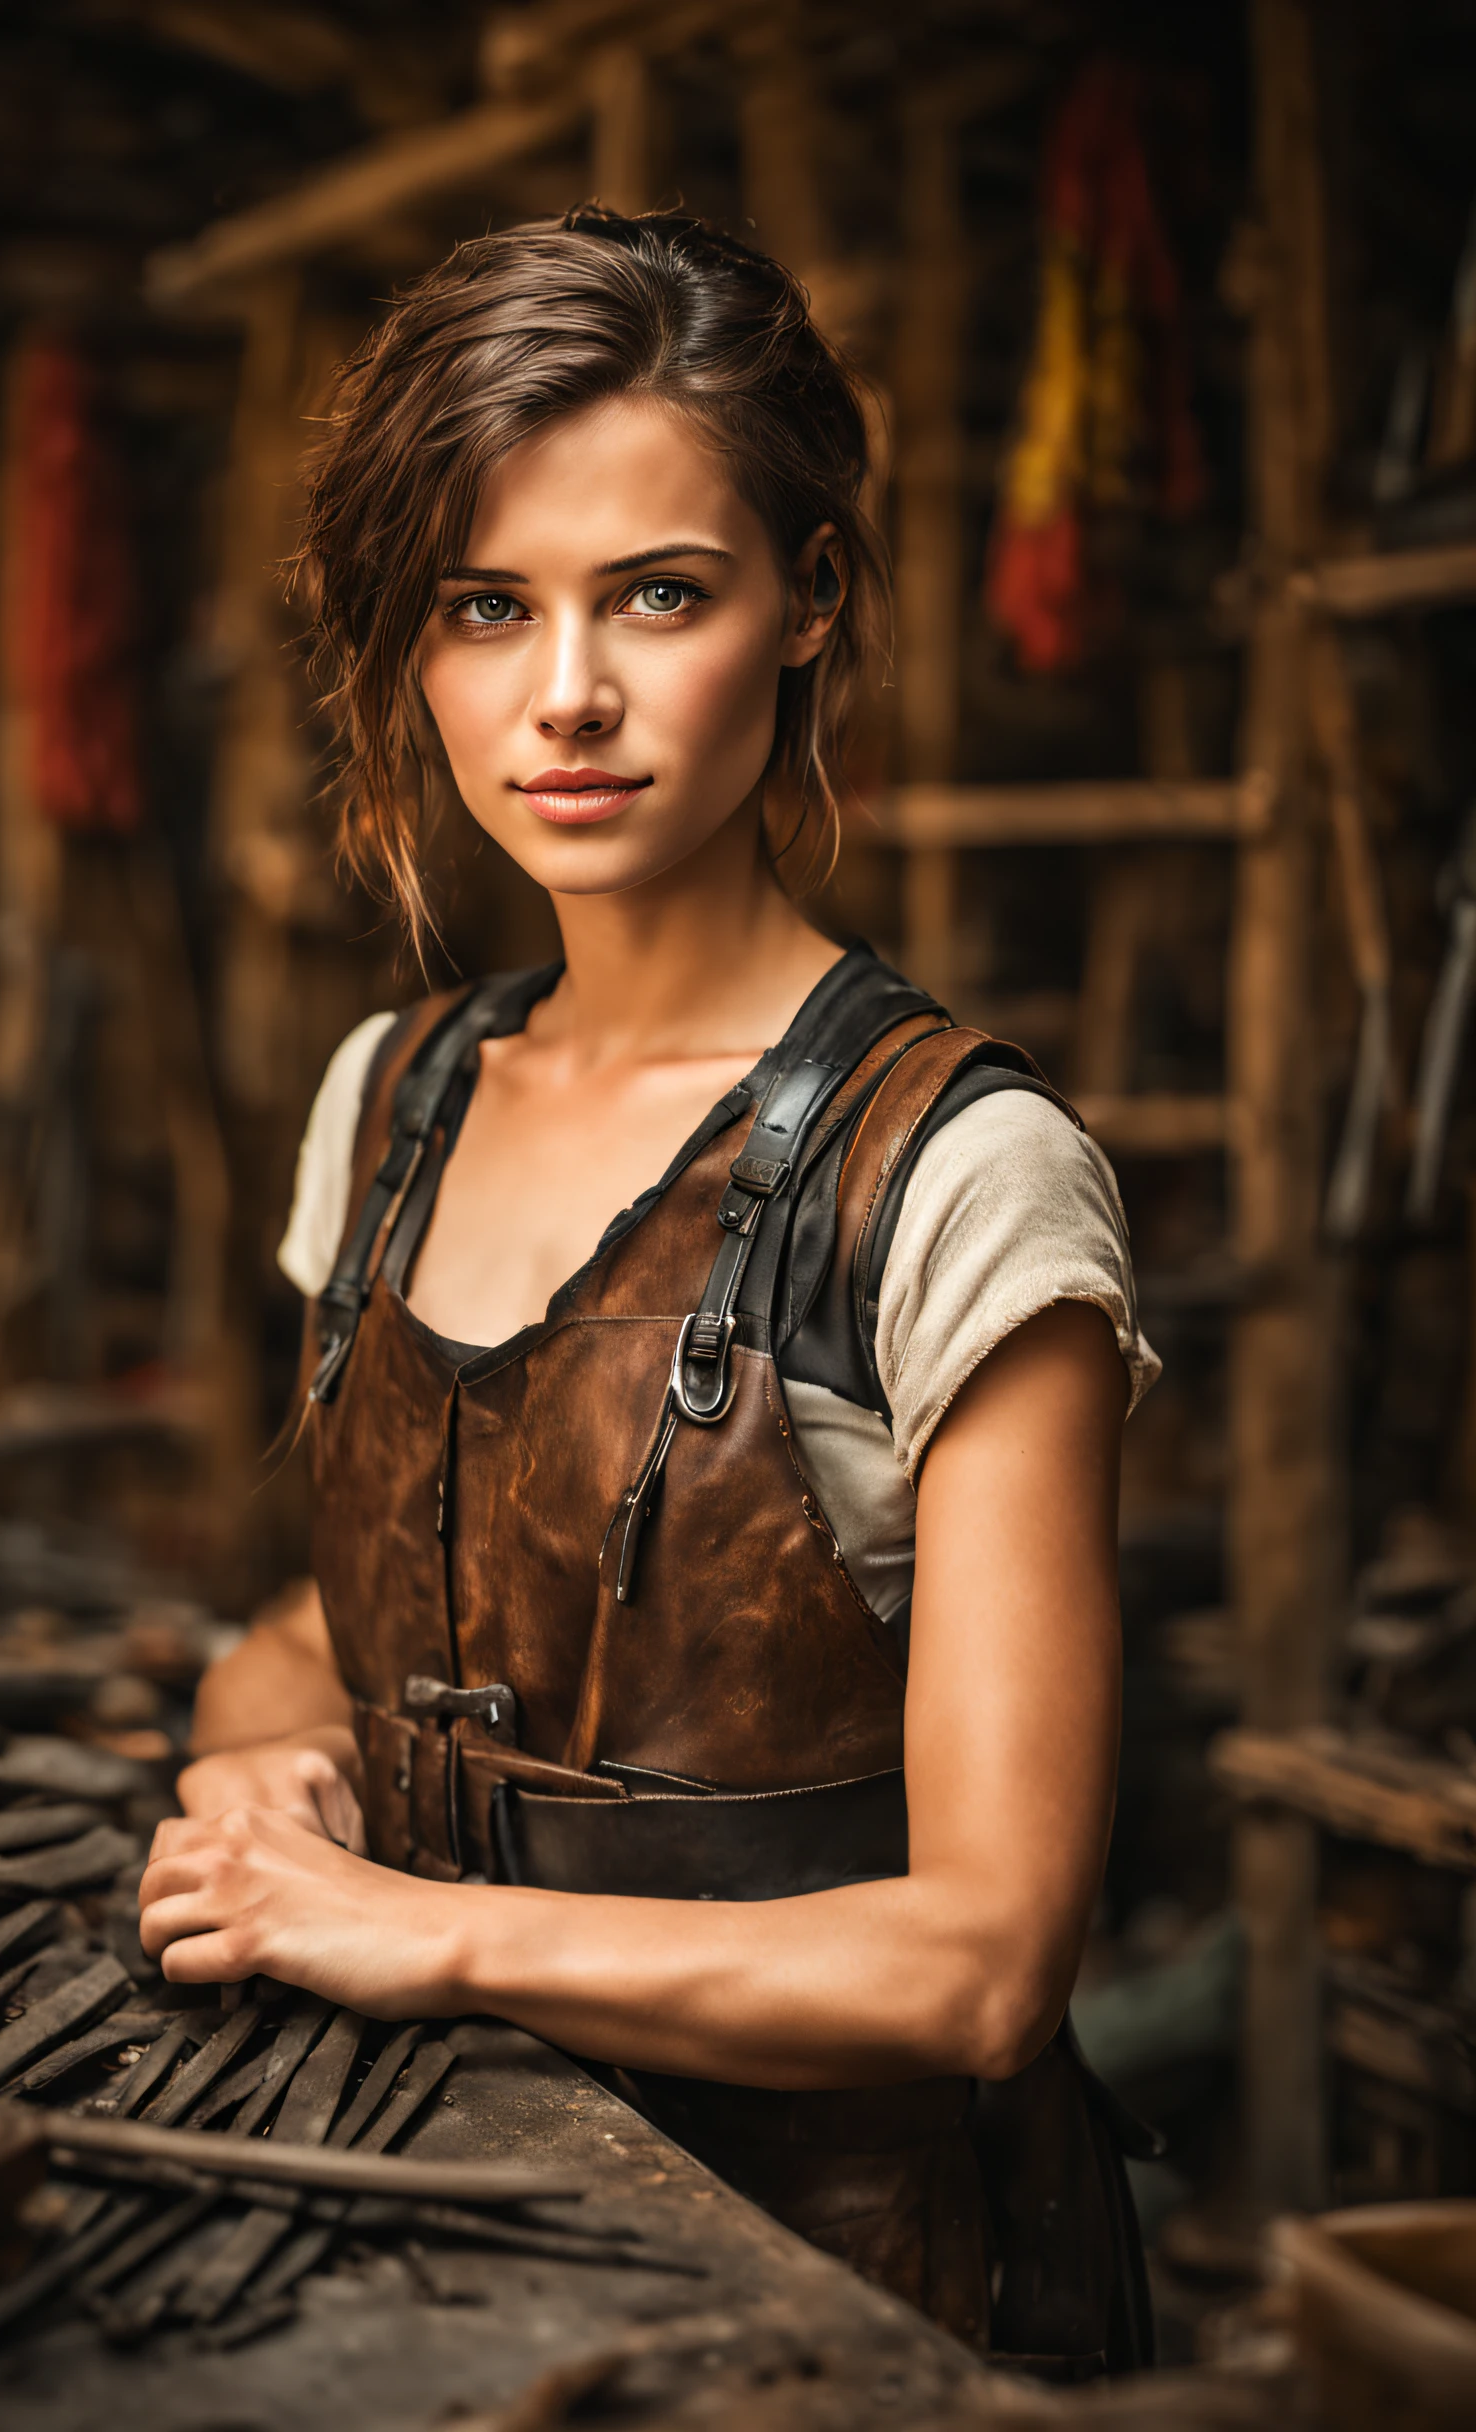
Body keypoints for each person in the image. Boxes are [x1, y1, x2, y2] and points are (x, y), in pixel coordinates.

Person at [139, 207, 1161, 2374]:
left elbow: (985, 1961)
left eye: (659, 594)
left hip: (847, 2290)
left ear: (809, 603)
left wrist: (415, 1930)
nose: (565, 695)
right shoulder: (392, 1094)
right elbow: (315, 1644)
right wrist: (263, 1782)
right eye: (485, 607)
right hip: (430, 2208)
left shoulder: (954, 1172)